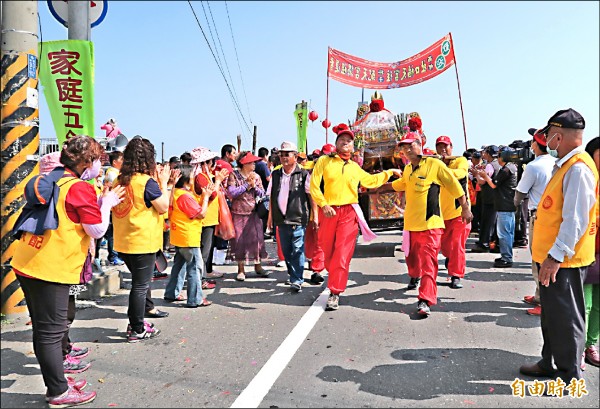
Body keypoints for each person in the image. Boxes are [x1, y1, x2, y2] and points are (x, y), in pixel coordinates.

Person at [11, 135, 125, 407]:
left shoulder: (58, 179)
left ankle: (58, 380)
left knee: (44, 329)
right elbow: (96, 229)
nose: (99, 164)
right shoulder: (79, 187)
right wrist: (107, 203)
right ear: (87, 162)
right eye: (97, 159)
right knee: (51, 332)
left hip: (29, 260)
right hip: (50, 267)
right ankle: (58, 391)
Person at [519, 108, 598, 384]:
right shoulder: (564, 164)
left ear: (560, 135)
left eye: (550, 136)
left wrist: (555, 257)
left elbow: (574, 220)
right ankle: (549, 362)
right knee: (552, 316)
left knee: (566, 319)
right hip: (553, 257)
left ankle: (569, 376)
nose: (548, 141)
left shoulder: (578, 169)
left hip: (563, 260)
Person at [310, 123, 401, 311]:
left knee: (342, 255)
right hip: (328, 211)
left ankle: (335, 291)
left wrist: (390, 172)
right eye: (342, 140)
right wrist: (323, 204)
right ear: (336, 143)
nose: (346, 142)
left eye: (349, 141)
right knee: (328, 253)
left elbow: (371, 181)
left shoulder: (354, 167)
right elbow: (314, 186)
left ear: (353, 147)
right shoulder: (324, 162)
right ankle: (333, 276)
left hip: (348, 213)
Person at [392, 132, 472, 316]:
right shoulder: (408, 169)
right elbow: (400, 184)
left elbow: (455, 184)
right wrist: (377, 184)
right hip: (411, 225)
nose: (407, 149)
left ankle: (426, 299)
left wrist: (466, 208)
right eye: (404, 147)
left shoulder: (437, 164)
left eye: (410, 145)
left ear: (419, 145)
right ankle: (414, 275)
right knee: (412, 260)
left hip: (433, 223)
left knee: (432, 261)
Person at [112, 137, 171, 342]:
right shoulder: (147, 183)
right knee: (140, 285)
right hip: (142, 241)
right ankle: (136, 327)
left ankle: (138, 320)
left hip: (123, 241)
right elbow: (163, 207)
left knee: (139, 283)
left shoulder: (118, 180)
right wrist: (164, 183)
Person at [514, 129, 555, 315]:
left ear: (536, 144)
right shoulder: (557, 162)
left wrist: (515, 204)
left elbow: (520, 193)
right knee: (547, 257)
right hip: (553, 215)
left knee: (538, 259)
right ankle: (540, 295)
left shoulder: (533, 166)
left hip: (538, 215)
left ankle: (544, 302)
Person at [163, 165, 214, 307]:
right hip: (188, 237)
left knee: (179, 265)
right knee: (194, 267)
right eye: (192, 175)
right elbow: (201, 213)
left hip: (178, 235)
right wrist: (206, 197)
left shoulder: (176, 192)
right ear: (186, 179)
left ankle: (172, 292)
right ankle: (195, 299)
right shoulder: (185, 196)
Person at [266, 142, 312, 292]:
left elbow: (311, 197)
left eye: (287, 154)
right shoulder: (276, 174)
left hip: (298, 217)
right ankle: (293, 274)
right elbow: (272, 197)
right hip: (281, 219)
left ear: (295, 156)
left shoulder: (304, 174)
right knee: (286, 250)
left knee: (298, 248)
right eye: (282, 154)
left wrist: (315, 216)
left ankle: (297, 279)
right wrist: (270, 219)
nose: (284, 157)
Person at [227, 151, 270, 281]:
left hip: (253, 212)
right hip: (238, 213)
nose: (254, 164)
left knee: (257, 240)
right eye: (251, 162)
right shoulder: (233, 175)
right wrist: (246, 185)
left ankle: (258, 266)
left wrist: (254, 187)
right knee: (239, 241)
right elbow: (232, 192)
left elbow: (262, 193)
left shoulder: (256, 176)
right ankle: (241, 269)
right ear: (244, 163)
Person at [435, 136, 471, 289]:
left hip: (459, 212)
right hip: (440, 214)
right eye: (440, 146)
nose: (443, 149)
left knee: (457, 244)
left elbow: (460, 174)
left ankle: (456, 275)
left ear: (451, 146)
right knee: (444, 246)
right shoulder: (434, 162)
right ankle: (450, 260)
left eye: (446, 146)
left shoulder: (460, 161)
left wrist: (441, 170)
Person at [191, 147, 229, 287]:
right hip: (204, 220)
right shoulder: (200, 177)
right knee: (203, 252)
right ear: (205, 163)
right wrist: (218, 181)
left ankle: (200, 278)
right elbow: (212, 195)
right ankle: (199, 281)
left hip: (208, 218)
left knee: (204, 251)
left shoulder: (203, 176)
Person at [475, 147, 518, 267]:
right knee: (507, 233)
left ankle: (507, 258)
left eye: (499, 156)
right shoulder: (512, 167)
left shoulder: (506, 170)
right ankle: (506, 255)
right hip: (508, 204)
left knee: (504, 233)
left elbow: (494, 184)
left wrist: (484, 175)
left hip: (505, 204)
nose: (497, 159)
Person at [583, 136, 599, 367]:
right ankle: (577, 347)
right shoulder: (584, 177)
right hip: (586, 249)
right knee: (583, 302)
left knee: (599, 304)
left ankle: (591, 343)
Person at [471, 145, 500, 253]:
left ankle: (484, 243)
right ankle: (492, 242)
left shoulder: (490, 166)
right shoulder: (498, 164)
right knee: (493, 221)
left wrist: (476, 175)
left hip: (489, 196)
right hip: (496, 197)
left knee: (487, 221)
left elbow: (482, 181)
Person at [103, 150, 125, 267]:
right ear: (115, 162)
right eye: (121, 159)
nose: (124, 162)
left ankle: (117, 255)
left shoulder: (116, 172)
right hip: (112, 208)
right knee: (112, 234)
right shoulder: (112, 173)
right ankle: (113, 256)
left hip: (116, 206)